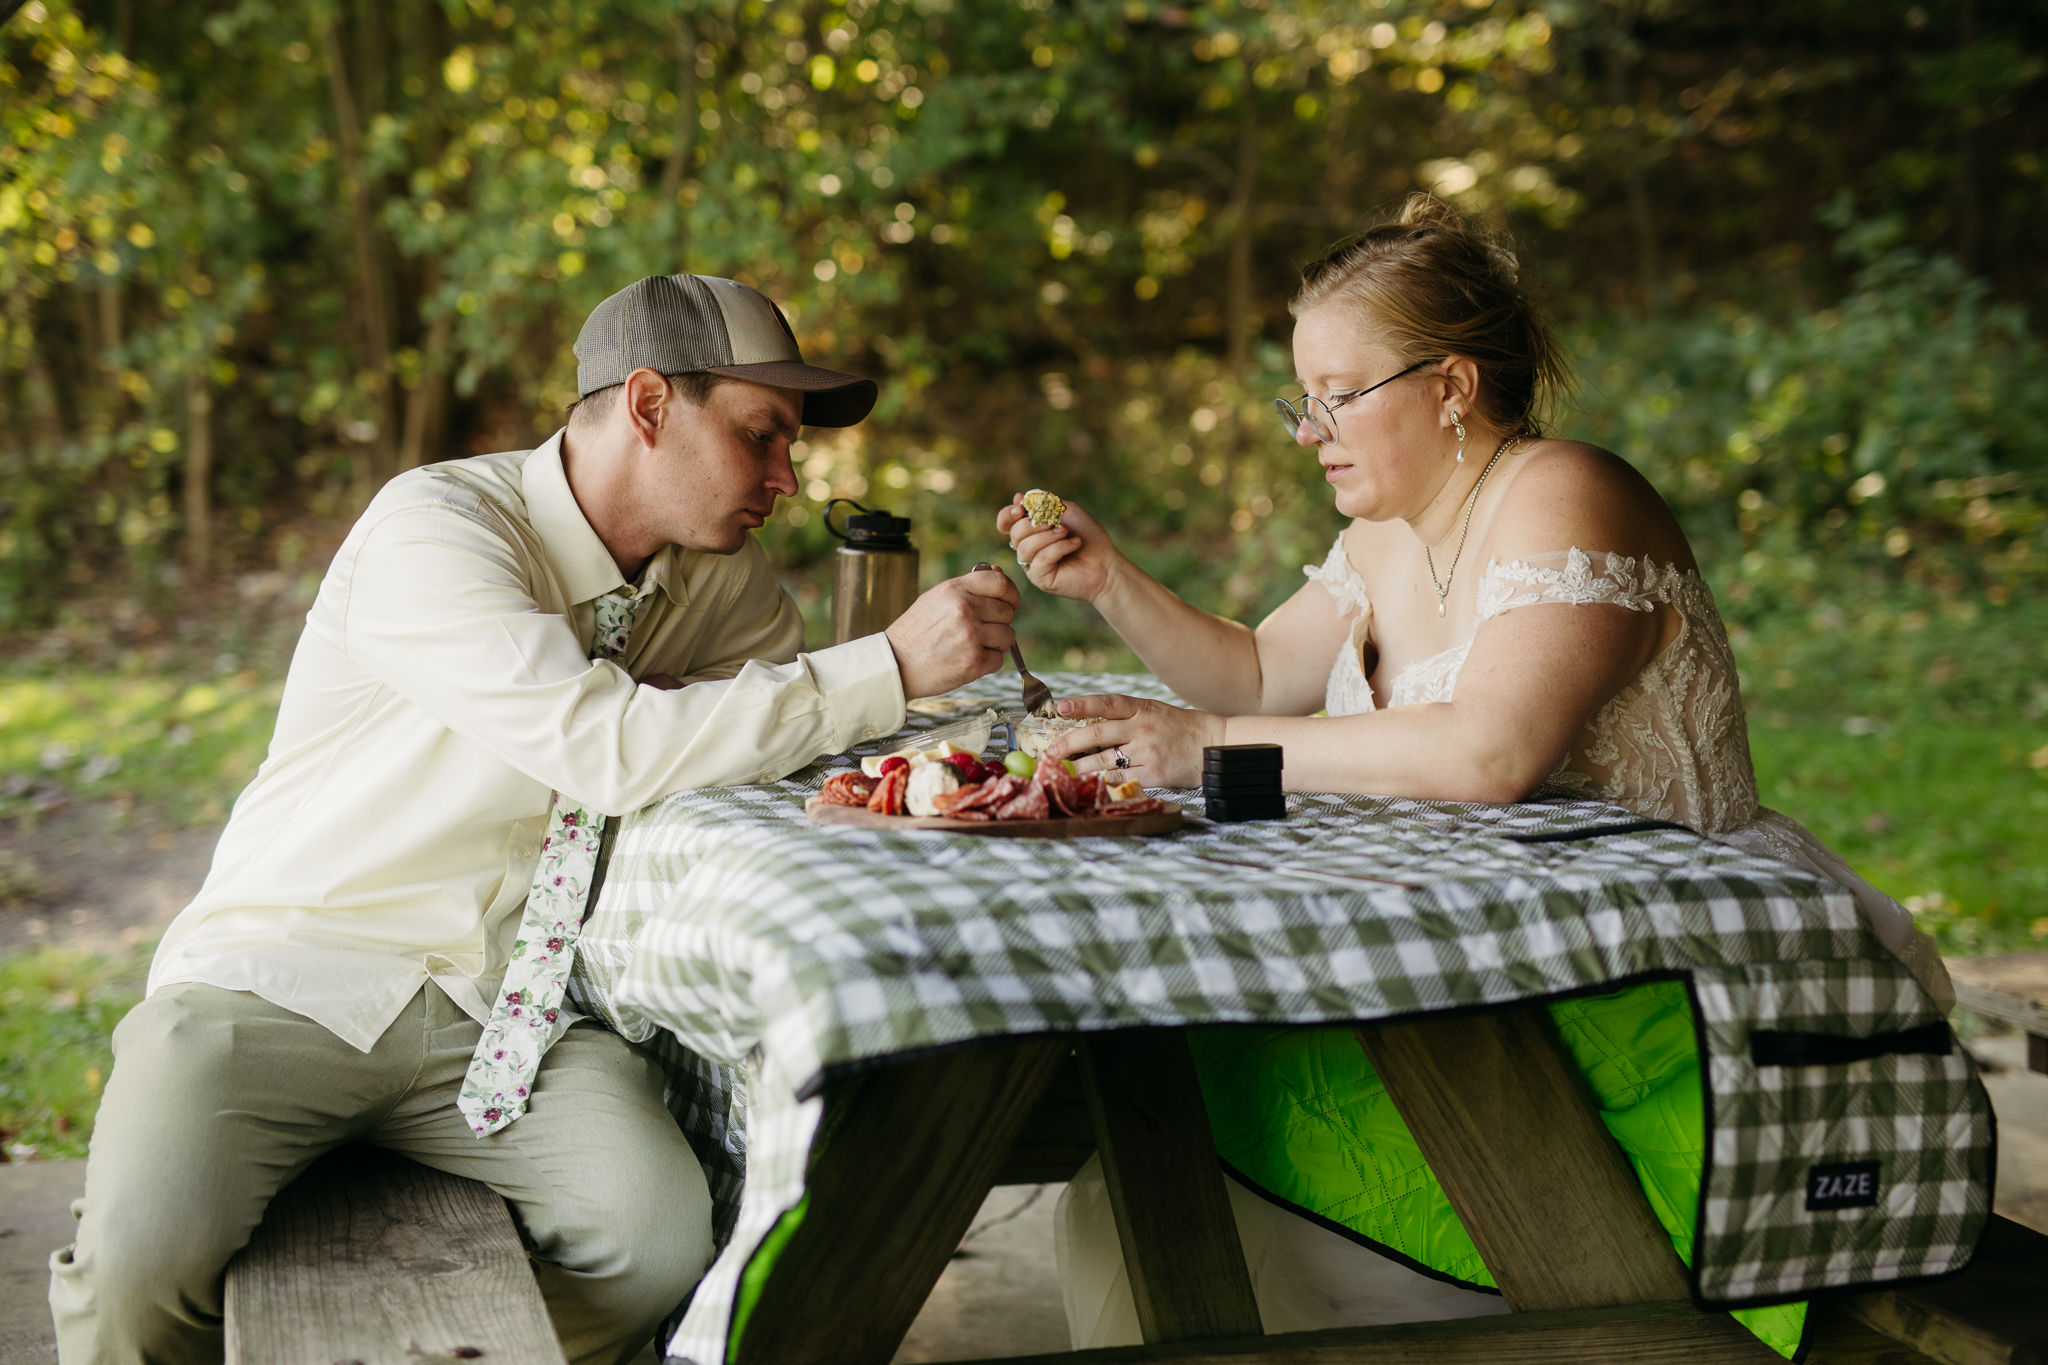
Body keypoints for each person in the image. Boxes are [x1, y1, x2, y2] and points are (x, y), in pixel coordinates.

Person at [999, 196, 1950, 1350]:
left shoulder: (1564, 493)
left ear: (1448, 387)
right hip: (1494, 976)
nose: (1308, 432)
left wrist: (1200, 749)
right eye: (1299, 400)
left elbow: (1488, 750)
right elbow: (1254, 676)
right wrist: (1110, 583)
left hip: (1679, 999)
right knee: (1145, 1184)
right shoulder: (1382, 537)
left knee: (1188, 1202)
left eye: (1337, 397)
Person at [52, 274, 1019, 1365]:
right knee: (138, 1265)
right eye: (763, 436)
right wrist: (887, 663)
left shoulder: (721, 588)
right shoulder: (437, 529)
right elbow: (604, 747)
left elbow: (788, 737)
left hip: (510, 1011)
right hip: (291, 970)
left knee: (654, 1240)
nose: (788, 480)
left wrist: (957, 713)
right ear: (649, 405)